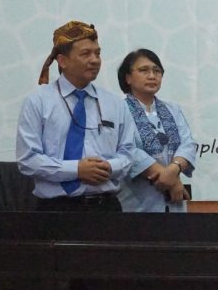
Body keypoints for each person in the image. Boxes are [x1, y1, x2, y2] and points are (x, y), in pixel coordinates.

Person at [16, 21, 137, 212]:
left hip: (106, 208)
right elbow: (28, 160)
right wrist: (77, 170)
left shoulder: (115, 103)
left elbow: (128, 153)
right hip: (55, 210)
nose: (95, 60)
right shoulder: (38, 101)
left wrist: (108, 167)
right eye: (85, 54)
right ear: (62, 61)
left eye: (97, 53)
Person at [116, 49, 197, 212]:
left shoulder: (173, 109)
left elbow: (188, 143)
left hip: (174, 202)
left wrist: (174, 169)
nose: (152, 76)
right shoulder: (118, 110)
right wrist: (168, 179)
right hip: (137, 201)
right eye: (143, 70)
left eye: (157, 71)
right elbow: (127, 150)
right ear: (128, 78)